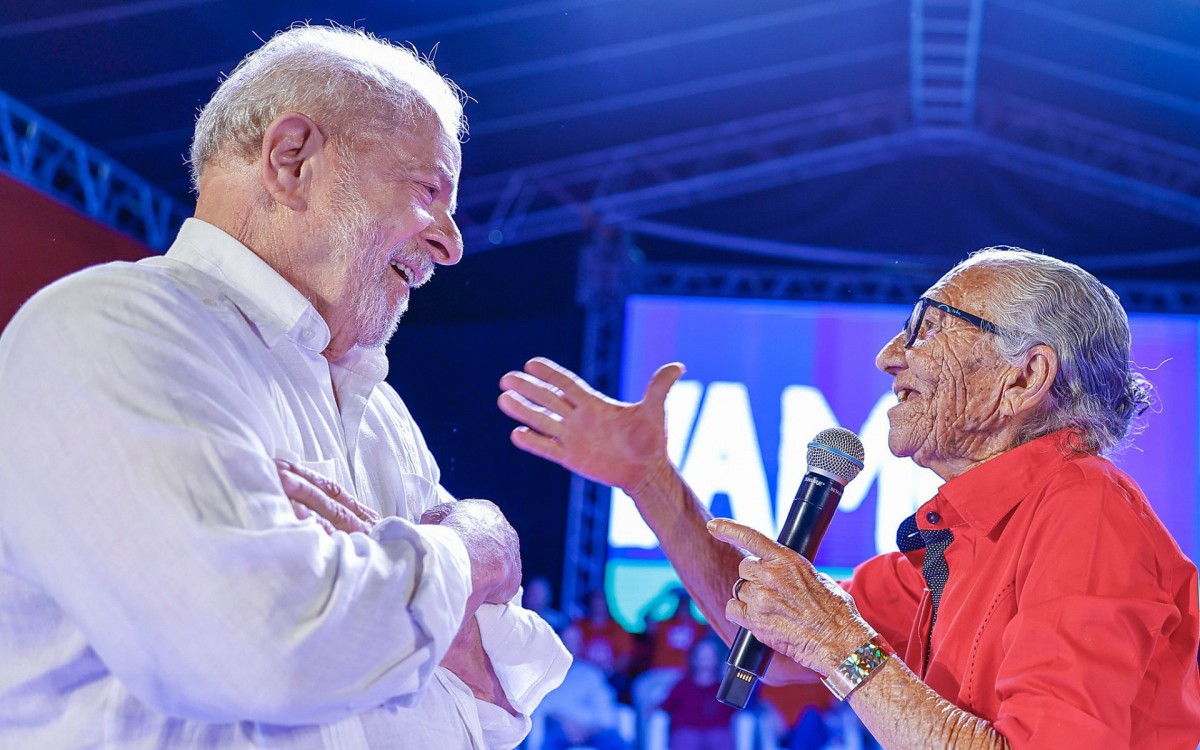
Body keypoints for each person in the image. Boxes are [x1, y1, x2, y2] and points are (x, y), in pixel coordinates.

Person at [0, 24, 568, 749]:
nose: (452, 242)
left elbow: (502, 696)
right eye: (429, 190)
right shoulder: (114, 331)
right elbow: (263, 644)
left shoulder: (380, 414)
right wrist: (469, 553)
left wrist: (383, 587)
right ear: (292, 159)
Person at [498, 247, 1200, 748]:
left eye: (928, 328)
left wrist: (842, 643)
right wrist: (650, 478)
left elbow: (833, 644)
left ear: (1024, 379)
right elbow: (770, 641)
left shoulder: (1085, 513)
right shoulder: (966, 532)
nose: (889, 355)